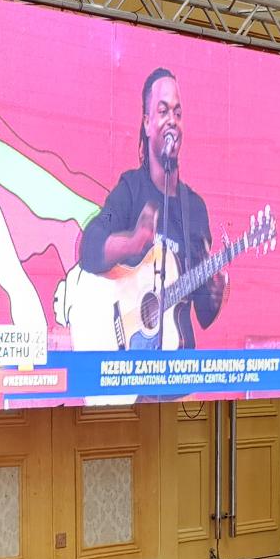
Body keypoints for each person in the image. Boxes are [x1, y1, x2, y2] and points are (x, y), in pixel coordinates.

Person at [77, 66, 227, 348]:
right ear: (146, 123)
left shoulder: (195, 209)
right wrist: (132, 244)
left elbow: (204, 315)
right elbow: (89, 246)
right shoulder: (131, 189)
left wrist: (215, 293)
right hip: (131, 370)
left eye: (178, 113)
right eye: (163, 111)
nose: (172, 120)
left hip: (179, 372)